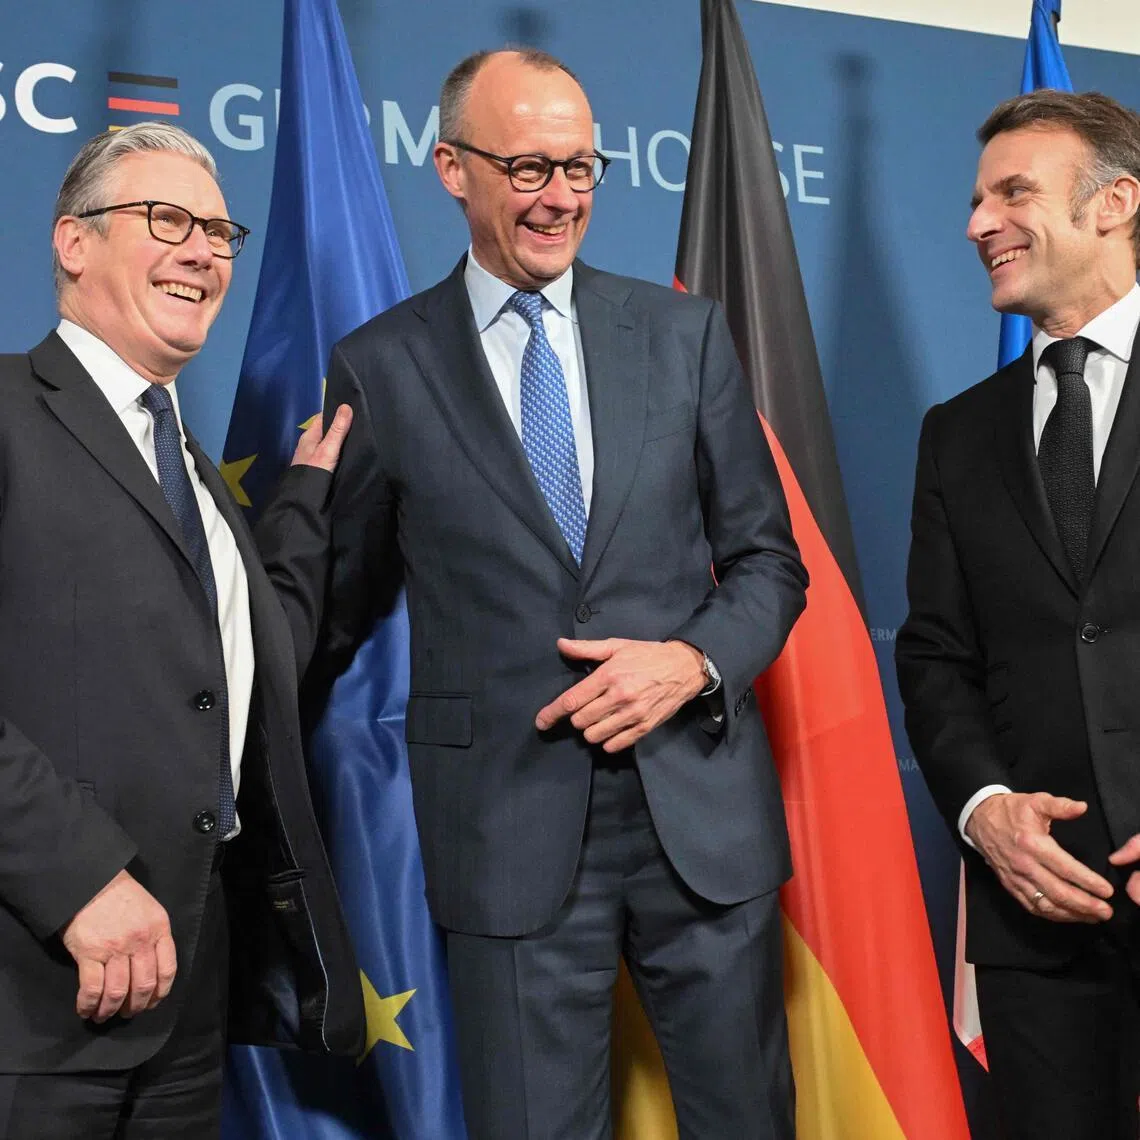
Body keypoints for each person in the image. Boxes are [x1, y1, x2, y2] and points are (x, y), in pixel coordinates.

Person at [258, 48, 807, 1139]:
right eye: (527, 168)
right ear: (451, 166)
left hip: (698, 814)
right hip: (505, 832)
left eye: (581, 168)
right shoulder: (380, 365)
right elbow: (336, 604)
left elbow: (768, 564)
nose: (561, 197)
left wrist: (689, 661)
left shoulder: (684, 336)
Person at [0, 122, 361, 1140]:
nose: (205, 250)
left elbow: (244, 664)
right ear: (74, 242)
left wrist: (302, 509)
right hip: (30, 1002)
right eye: (168, 219)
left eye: (218, 231)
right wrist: (76, 880)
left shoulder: (192, 468)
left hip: (186, 1005)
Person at [896, 90, 1140, 1140]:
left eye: (1012, 193)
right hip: (1032, 913)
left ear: (1114, 203)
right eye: (975, 199)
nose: (976, 224)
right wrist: (985, 808)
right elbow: (937, 656)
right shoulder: (957, 434)